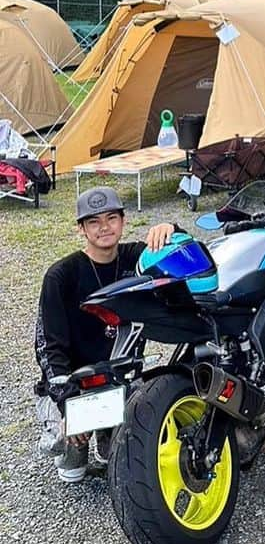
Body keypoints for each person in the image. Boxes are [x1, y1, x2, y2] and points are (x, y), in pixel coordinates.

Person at [34, 187, 176, 483]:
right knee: (72, 469)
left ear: (123, 221)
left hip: (120, 380)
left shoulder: (137, 258)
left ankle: (108, 441)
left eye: (112, 218)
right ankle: (63, 431)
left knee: (121, 460)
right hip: (75, 383)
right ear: (81, 229)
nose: (104, 227)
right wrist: (67, 404)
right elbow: (49, 349)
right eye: (94, 221)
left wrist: (172, 228)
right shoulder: (61, 276)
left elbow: (183, 255)